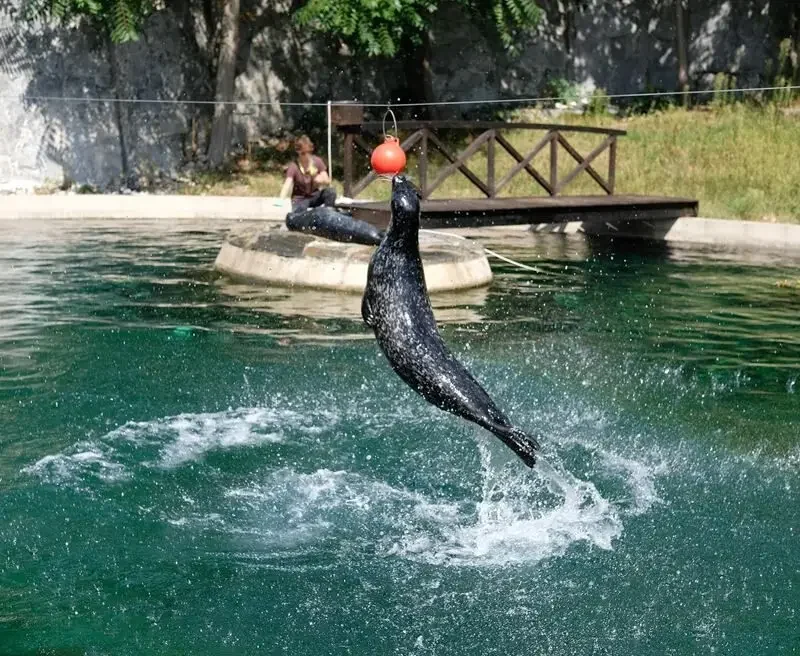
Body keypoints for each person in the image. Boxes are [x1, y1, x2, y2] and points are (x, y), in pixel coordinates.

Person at [280, 135, 336, 212]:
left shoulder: (317, 161)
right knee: (300, 210)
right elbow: (287, 183)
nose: (306, 156)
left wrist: (321, 180)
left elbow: (327, 180)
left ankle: (330, 214)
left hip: (314, 196)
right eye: (303, 153)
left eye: (308, 152)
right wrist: (281, 199)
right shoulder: (294, 166)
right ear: (298, 152)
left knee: (330, 192)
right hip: (300, 199)